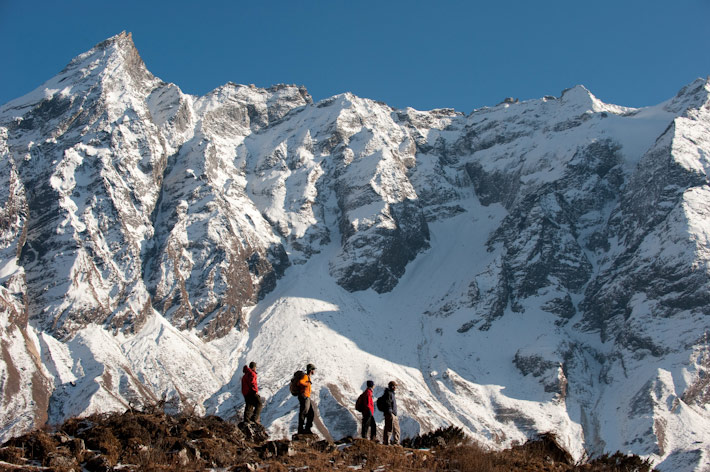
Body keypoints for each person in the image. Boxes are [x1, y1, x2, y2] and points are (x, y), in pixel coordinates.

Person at [298, 363, 316, 434]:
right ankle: (301, 430)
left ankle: (307, 429)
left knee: (310, 413)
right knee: (304, 412)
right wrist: (307, 384)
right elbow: (300, 382)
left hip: (306, 397)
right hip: (304, 397)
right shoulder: (305, 377)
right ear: (311, 370)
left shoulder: (307, 377)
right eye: (313, 369)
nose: (314, 371)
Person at [382, 380, 400, 445]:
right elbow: (388, 403)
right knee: (389, 428)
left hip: (393, 413)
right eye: (395, 386)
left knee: (396, 429)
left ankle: (396, 442)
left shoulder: (391, 394)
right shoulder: (388, 394)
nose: (396, 387)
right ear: (392, 387)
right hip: (390, 413)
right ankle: (387, 442)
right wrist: (390, 411)